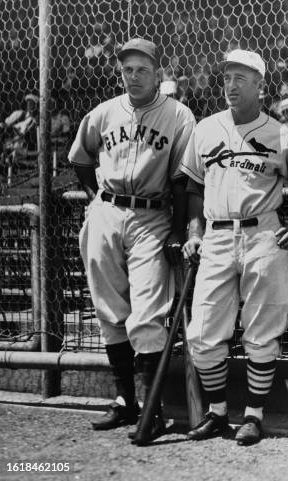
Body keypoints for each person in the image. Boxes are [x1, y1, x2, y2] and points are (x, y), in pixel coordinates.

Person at [180, 49, 288, 446]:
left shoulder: (280, 134)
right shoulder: (204, 129)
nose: (231, 85)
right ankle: (218, 413)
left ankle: (254, 415)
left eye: (240, 77)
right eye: (226, 78)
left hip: (263, 233)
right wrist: (193, 232)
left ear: (259, 84)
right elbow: (192, 187)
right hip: (217, 235)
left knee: (262, 332)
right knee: (202, 333)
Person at [69, 38, 196, 442]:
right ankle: (126, 401)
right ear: (119, 72)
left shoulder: (178, 115)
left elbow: (182, 179)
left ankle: (152, 409)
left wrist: (177, 228)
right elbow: (80, 158)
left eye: (142, 69)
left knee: (146, 313)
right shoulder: (104, 112)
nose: (134, 76)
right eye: (127, 69)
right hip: (107, 210)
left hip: (151, 214)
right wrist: (97, 202)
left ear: (158, 73)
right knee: (109, 311)